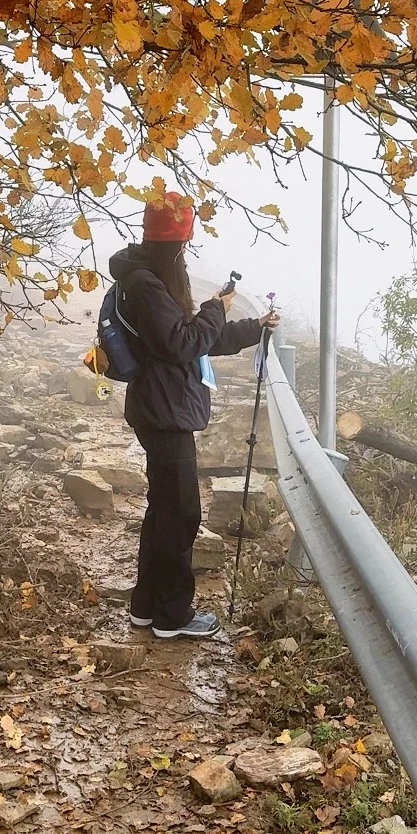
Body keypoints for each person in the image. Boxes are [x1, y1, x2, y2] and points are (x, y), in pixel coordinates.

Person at [108, 194, 278, 640]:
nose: (187, 250)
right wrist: (214, 309)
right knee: (181, 513)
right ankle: (172, 616)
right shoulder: (146, 284)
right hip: (164, 412)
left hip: (163, 406)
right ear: (177, 242)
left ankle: (146, 608)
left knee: (164, 510)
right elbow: (183, 343)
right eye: (185, 241)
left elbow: (195, 341)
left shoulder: (151, 277)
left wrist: (252, 327)